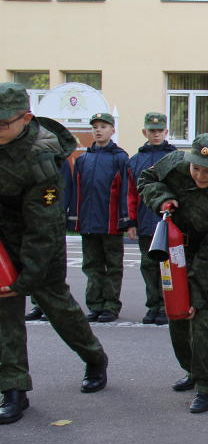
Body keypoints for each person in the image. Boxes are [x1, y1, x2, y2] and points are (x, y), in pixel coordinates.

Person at [0, 82, 109, 425]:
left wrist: (27, 278)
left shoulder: (41, 157)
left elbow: (43, 227)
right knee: (5, 314)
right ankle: (14, 388)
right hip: (2, 244)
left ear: (25, 118)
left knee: (57, 307)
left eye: (2, 123)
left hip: (39, 241)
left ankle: (94, 357)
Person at [137, 134, 208, 414]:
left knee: (199, 320)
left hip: (207, 258)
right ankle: (191, 370)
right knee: (176, 316)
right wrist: (162, 198)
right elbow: (147, 179)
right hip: (174, 249)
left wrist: (196, 295)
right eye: (196, 167)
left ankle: (207, 385)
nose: (199, 175)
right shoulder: (176, 162)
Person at [63, 112, 132, 323]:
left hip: (111, 224)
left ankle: (111, 306)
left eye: (103, 126)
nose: (98, 130)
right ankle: (95, 305)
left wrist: (126, 219)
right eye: (95, 127)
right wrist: (74, 218)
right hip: (88, 223)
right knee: (92, 266)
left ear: (112, 130)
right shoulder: (83, 159)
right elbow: (76, 190)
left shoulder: (120, 158)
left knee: (113, 267)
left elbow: (126, 190)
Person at [127, 112, 177, 325]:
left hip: (170, 221)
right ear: (144, 132)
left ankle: (168, 306)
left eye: (159, 130)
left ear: (166, 132)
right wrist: (131, 221)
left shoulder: (176, 157)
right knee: (148, 267)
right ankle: (153, 306)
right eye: (152, 130)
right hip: (145, 221)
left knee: (168, 267)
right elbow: (130, 193)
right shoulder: (135, 161)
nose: (156, 134)